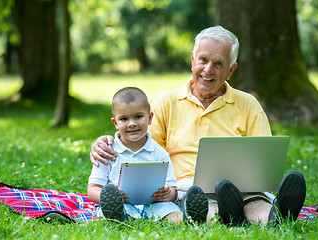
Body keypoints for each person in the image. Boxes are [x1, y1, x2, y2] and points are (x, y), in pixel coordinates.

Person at [89, 26, 306, 226]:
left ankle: (276, 216)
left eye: (219, 64)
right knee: (204, 208)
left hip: (243, 187)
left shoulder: (248, 104)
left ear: (231, 70)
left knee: (256, 203)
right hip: (190, 190)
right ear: (192, 60)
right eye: (203, 60)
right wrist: (106, 141)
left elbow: (263, 160)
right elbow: (139, 144)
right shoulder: (166, 102)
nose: (208, 70)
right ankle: (233, 216)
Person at [87, 87, 185, 224]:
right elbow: (92, 189)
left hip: (154, 204)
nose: (132, 124)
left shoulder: (159, 153)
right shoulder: (107, 151)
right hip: (120, 205)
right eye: (124, 119)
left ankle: (190, 217)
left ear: (150, 118)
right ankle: (122, 218)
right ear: (115, 123)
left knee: (174, 214)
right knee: (111, 212)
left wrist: (168, 194)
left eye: (138, 117)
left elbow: (172, 190)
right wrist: (110, 197)